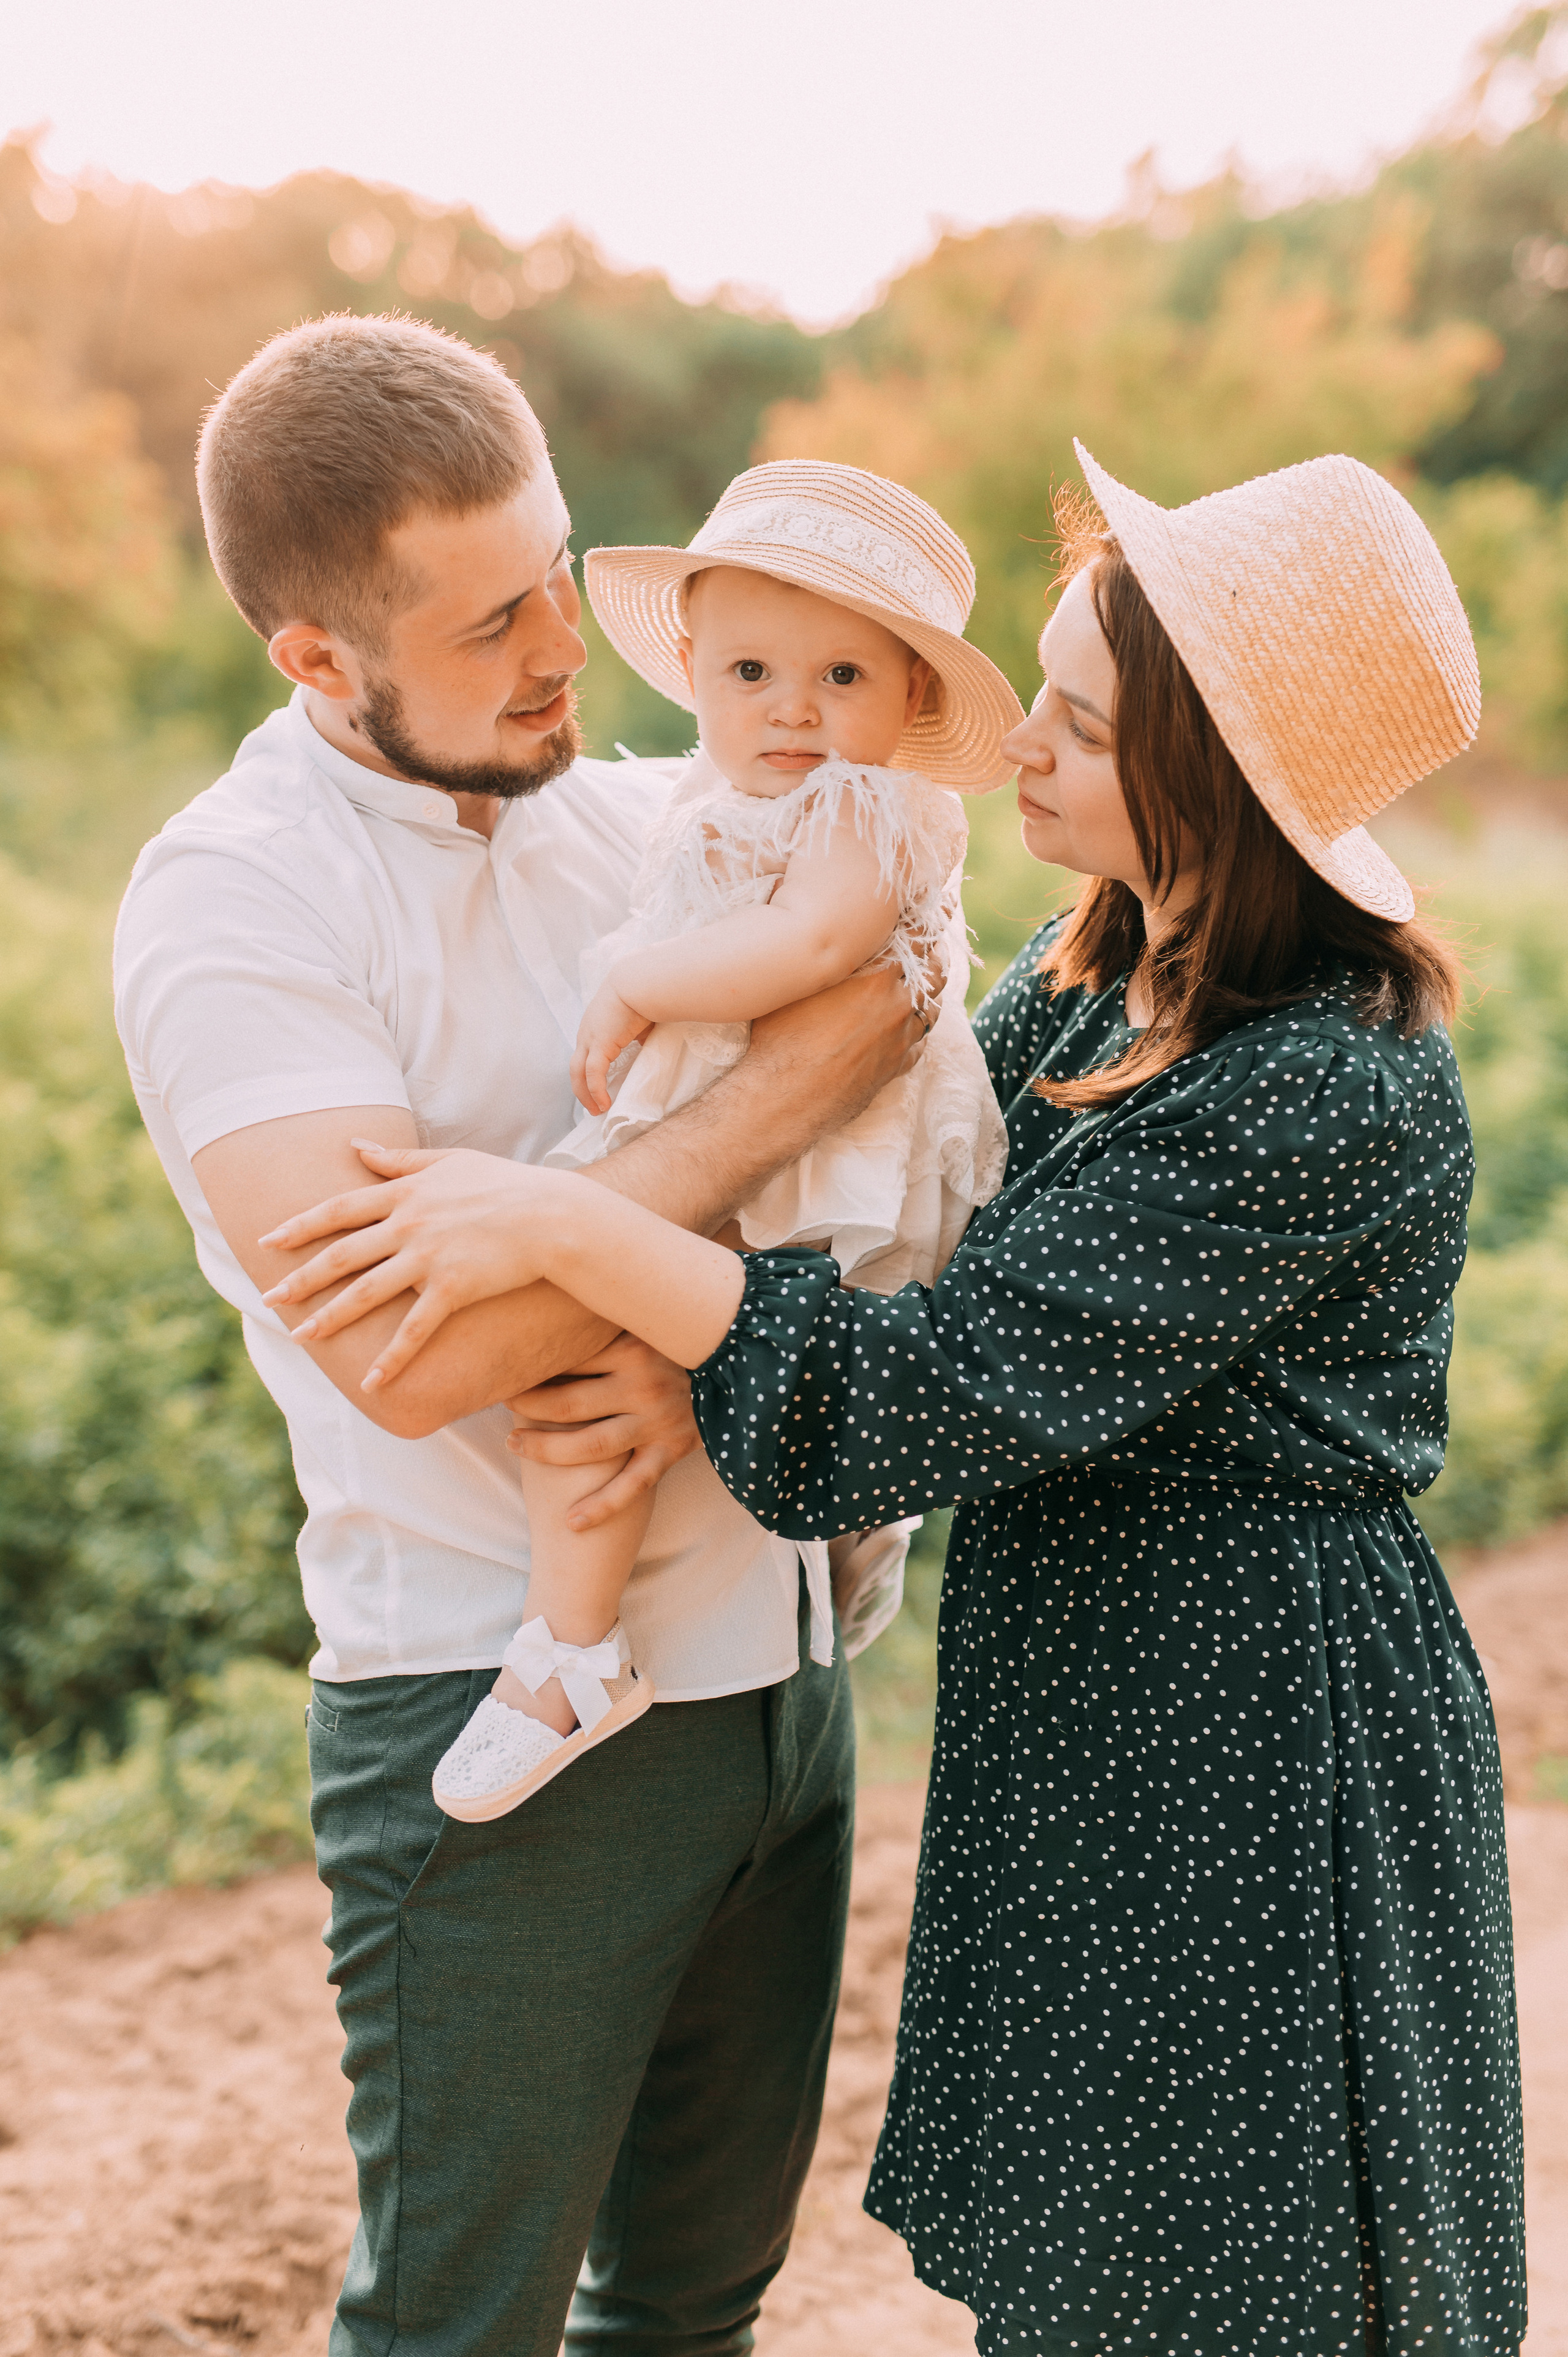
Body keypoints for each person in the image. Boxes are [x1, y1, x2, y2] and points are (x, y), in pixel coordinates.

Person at [263, 441, 1528, 2356]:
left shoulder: (1317, 1083)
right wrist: (691, 1362)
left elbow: (926, 1382)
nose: (1014, 746)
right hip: (1095, 1684)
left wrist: (560, 1229)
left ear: (1216, 783)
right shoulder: (1103, 967)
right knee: (1094, 2262)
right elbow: (911, 1239)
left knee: (1227, 2278)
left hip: (1249, 1731)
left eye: (1080, 726)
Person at [113, 312, 947, 2357]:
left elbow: (899, 964)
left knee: (690, 2310)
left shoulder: (635, 813)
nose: (566, 647)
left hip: (788, 1674)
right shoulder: (236, 906)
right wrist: (803, 1072)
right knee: (455, 2330)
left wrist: (556, 1232)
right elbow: (414, 1354)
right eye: (491, 621)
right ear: (320, 658)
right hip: (494, 1705)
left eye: (561, 571)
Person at [375, 460, 1017, 1820]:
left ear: (912, 698)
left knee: (622, 1339)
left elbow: (818, 944)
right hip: (732, 1130)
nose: (790, 707)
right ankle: (573, 1641)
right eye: (746, 672)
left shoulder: (869, 804)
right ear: (694, 675)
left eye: (842, 676)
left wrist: (636, 983)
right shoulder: (702, 798)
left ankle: (579, 1647)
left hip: (816, 1150)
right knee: (588, 1375)